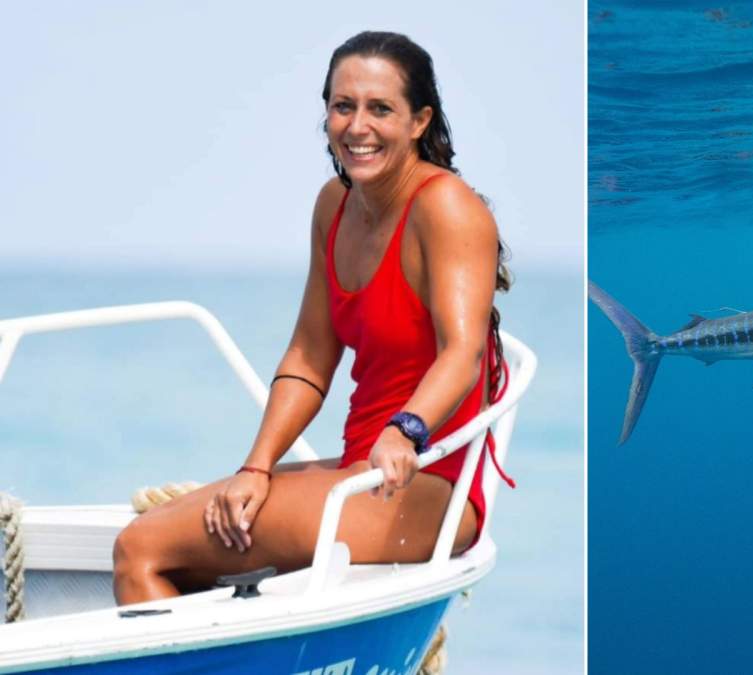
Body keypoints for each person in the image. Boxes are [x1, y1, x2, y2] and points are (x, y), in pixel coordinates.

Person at [112, 31, 510, 604]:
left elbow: (463, 353)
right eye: (342, 106)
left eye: (380, 109)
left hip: (426, 482)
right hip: (358, 472)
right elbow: (309, 355)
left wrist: (406, 430)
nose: (357, 126)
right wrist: (257, 466)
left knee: (138, 549)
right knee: (186, 560)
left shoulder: (446, 207)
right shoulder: (335, 204)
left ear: (420, 121)